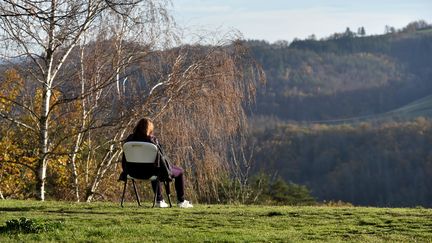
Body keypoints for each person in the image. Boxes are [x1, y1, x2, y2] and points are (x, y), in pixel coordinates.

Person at [120, 118, 193, 208]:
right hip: (150, 172)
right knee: (178, 171)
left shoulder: (129, 141)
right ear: (150, 129)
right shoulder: (152, 141)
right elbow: (161, 158)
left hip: (132, 172)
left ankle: (159, 200)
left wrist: (126, 171)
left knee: (155, 168)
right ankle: (181, 201)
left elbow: (124, 159)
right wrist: (167, 170)